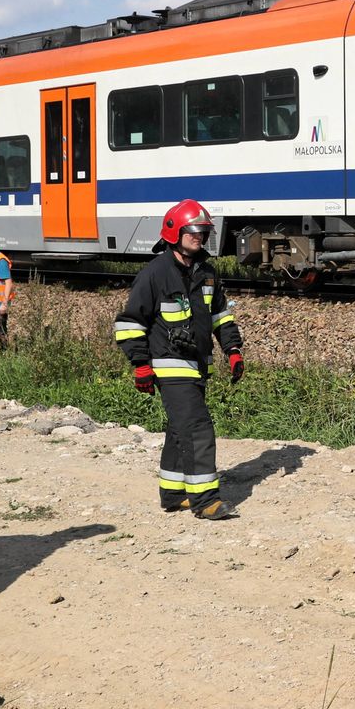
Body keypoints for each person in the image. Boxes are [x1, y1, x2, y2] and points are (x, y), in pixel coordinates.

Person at [113, 200, 244, 521]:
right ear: (175, 232)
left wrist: (233, 349)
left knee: (178, 429)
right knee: (198, 428)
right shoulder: (155, 274)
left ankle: (173, 494)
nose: (200, 236)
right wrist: (140, 364)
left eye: (204, 230)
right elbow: (129, 323)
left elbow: (220, 317)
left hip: (198, 367)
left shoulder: (207, 273)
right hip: (169, 367)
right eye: (194, 230)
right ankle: (206, 500)